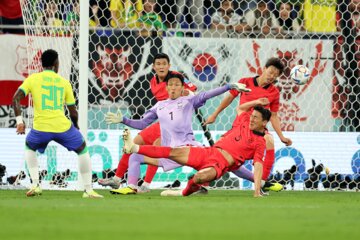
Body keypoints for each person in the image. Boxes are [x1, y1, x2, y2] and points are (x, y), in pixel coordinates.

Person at [105, 72, 250, 194]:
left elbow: (206, 95)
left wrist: (228, 87)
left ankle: (260, 181)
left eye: (177, 85)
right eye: (171, 84)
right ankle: (131, 187)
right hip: (169, 153)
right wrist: (124, 120)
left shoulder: (188, 101)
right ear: (166, 87)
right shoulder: (159, 106)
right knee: (135, 157)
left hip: (189, 150)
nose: (173, 87)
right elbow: (142, 123)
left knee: (228, 162)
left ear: (182, 88)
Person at [122, 99, 272, 197]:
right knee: (174, 152)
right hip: (208, 152)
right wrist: (257, 101)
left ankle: (183, 192)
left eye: (256, 118)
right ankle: (134, 147)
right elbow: (241, 108)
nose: (251, 119)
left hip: (219, 165)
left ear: (264, 123)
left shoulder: (260, 142)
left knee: (199, 177)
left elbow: (258, 165)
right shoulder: (245, 120)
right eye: (252, 116)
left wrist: (257, 190)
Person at [97, 53, 197, 191]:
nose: (161, 66)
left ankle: (145, 184)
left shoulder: (176, 77)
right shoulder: (153, 82)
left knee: (157, 146)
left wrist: (187, 92)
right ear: (153, 66)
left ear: (169, 66)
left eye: (164, 64)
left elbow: (193, 88)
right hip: (161, 122)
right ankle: (117, 179)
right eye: (158, 64)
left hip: (174, 125)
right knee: (133, 143)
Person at [12, 49, 103, 198]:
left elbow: (15, 99)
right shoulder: (64, 82)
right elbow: (73, 111)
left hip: (40, 128)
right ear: (56, 63)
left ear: (42, 64)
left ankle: (35, 184)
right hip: (62, 127)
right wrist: (76, 125)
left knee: (29, 146)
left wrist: (19, 122)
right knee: (82, 148)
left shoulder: (32, 79)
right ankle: (88, 190)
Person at [205, 57, 291, 192]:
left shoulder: (274, 92)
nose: (272, 76)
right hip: (240, 127)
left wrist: (281, 136)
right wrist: (215, 114)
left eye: (276, 75)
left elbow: (273, 116)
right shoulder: (245, 82)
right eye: (271, 72)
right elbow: (229, 98)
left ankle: (262, 183)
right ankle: (202, 183)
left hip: (258, 129)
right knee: (221, 156)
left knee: (269, 139)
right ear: (264, 69)